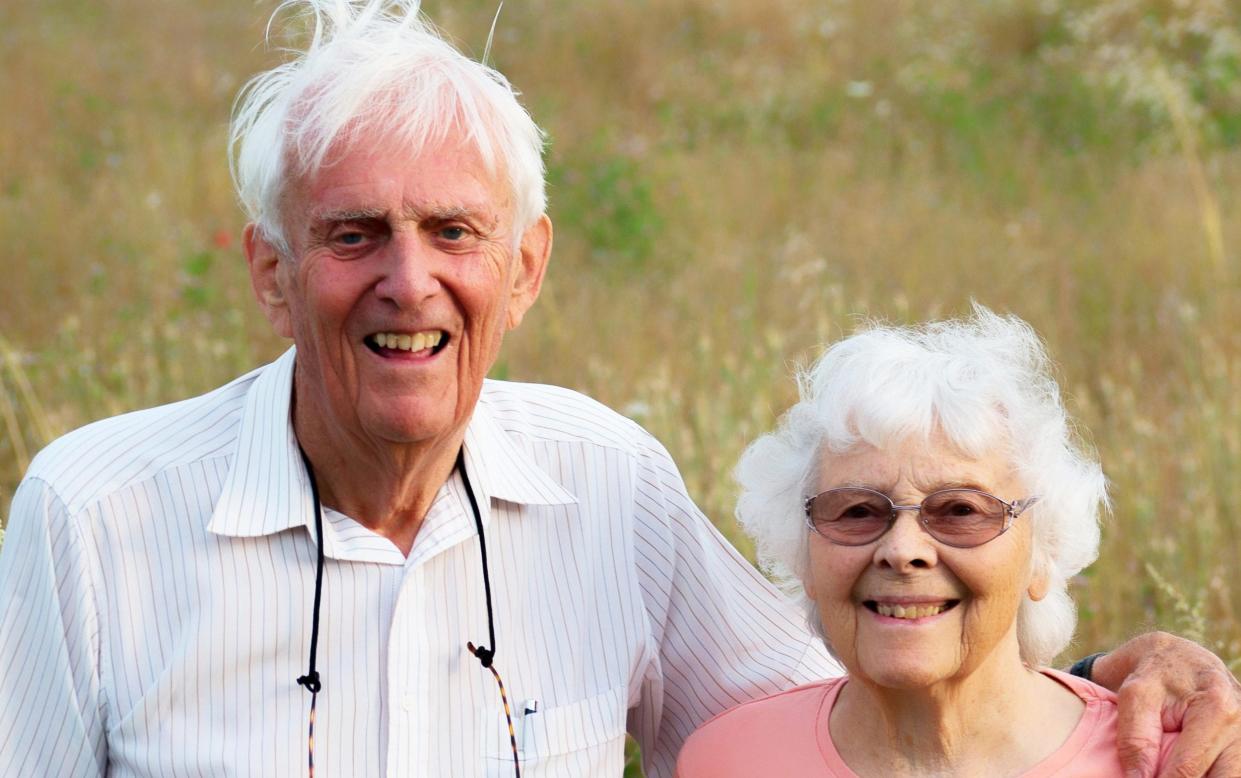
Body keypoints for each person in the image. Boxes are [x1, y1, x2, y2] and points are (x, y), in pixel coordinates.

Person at [0, 2, 1237, 776]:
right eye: (351, 235)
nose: (408, 280)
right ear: (269, 271)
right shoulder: (93, 516)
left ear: (526, 267)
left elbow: (862, 697)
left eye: (453, 232)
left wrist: (1118, 682)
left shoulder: (605, 483)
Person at [675, 309, 1199, 776]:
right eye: (857, 511)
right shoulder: (727, 759)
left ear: (1044, 552)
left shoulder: (1171, 759)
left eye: (960, 511)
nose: (903, 550)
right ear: (805, 557)